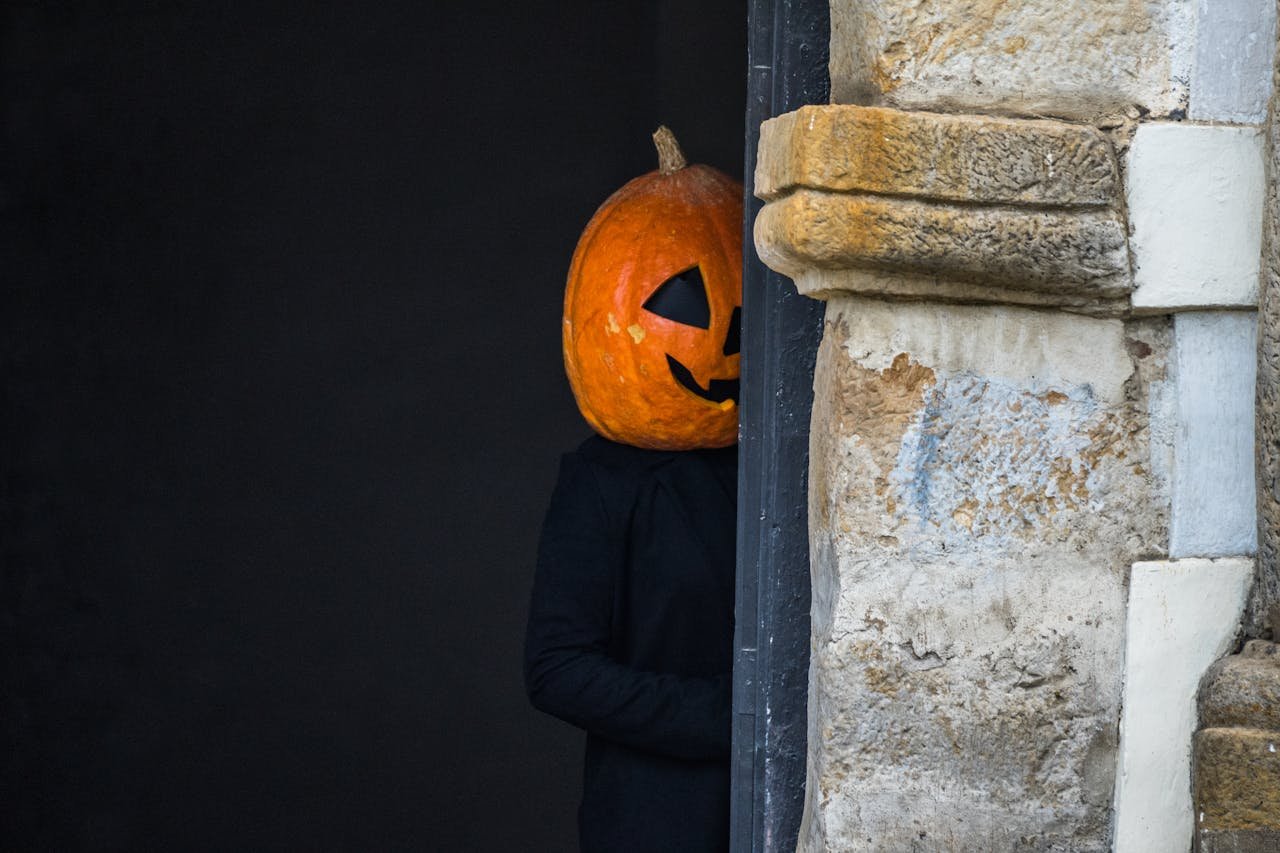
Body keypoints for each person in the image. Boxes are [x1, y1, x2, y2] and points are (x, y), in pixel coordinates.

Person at [524, 127, 742, 852]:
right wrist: (727, 714)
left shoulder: (791, 463)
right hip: (660, 821)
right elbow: (558, 669)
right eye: (685, 308)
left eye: (744, 310)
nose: (724, 342)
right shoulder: (603, 481)